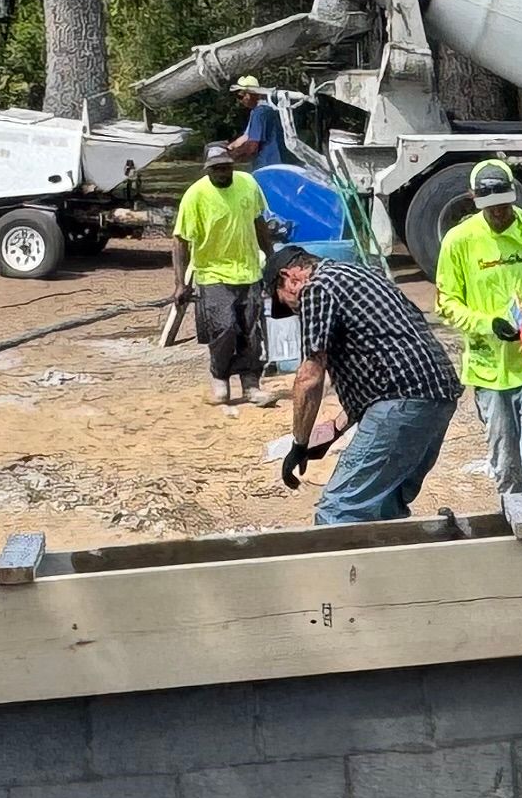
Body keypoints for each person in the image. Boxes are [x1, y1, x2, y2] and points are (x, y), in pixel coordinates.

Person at [266, 236, 460, 525]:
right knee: (385, 506)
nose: (294, 311)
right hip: (437, 395)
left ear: (289, 278)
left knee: (338, 512)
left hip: (403, 400)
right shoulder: (360, 274)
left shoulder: (316, 288)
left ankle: (341, 571)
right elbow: (386, 362)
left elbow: (310, 376)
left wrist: (299, 442)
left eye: (286, 302)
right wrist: (335, 429)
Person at [433, 157, 522, 516]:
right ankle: (516, 523)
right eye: (489, 206)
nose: (497, 212)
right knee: (506, 462)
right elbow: (446, 301)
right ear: (474, 200)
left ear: (513, 196)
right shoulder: (459, 242)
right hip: (488, 368)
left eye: (503, 204)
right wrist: (486, 323)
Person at [168, 141, 275, 409]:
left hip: (248, 269)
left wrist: (272, 259)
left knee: (251, 331)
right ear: (207, 170)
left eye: (225, 167)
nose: (222, 173)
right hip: (213, 273)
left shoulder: (248, 184)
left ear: (232, 166)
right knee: (224, 327)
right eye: (215, 169)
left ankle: (251, 384)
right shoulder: (195, 196)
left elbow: (258, 222)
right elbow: (179, 240)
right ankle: (220, 379)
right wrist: (180, 283)